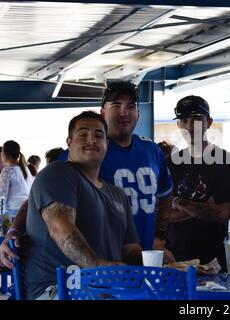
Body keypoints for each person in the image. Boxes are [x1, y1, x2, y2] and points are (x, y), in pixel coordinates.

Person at [0, 81, 174, 268]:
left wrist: (159, 236)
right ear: (103, 112)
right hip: (83, 268)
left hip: (134, 259)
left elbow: (165, 195)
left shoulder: (151, 151)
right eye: (116, 105)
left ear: (139, 113)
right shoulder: (76, 158)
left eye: (131, 106)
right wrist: (15, 230)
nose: (124, 112)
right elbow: (44, 199)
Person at [22, 111, 141, 300]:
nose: (91, 139)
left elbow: (131, 251)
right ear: (69, 143)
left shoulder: (118, 195)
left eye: (98, 135)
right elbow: (60, 228)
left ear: (107, 144)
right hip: (59, 289)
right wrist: (98, 267)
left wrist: (160, 262)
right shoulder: (58, 173)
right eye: (83, 134)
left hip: (109, 290)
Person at [161, 95, 230, 268]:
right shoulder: (170, 163)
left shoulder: (226, 161)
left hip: (214, 261)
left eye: (196, 119)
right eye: (184, 120)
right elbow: (163, 216)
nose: (190, 126)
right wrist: (204, 206)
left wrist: (177, 202)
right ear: (178, 124)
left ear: (209, 122)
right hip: (175, 259)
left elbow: (221, 214)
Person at [0, 140, 33, 215]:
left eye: (2, 152)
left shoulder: (7, 171)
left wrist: (1, 214)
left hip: (12, 213)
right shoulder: (25, 169)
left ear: (6, 154)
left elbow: (2, 196)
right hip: (27, 210)